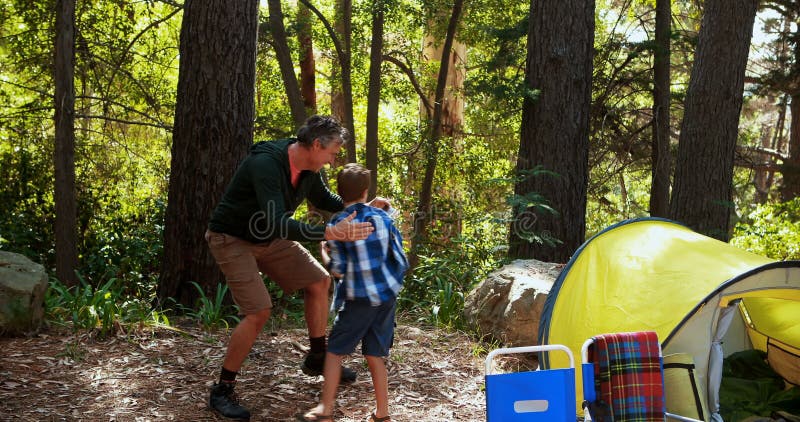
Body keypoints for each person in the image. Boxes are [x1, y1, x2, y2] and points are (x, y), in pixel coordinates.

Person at [205, 116, 388, 420]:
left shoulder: (309, 170)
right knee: (258, 311)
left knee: (318, 281)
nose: (332, 161)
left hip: (269, 237)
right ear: (316, 145)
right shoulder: (266, 164)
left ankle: (317, 356)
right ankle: (222, 389)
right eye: (331, 154)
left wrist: (362, 208)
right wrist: (330, 232)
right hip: (232, 238)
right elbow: (279, 222)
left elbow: (326, 200)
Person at [297, 163, 408, 422]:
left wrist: (324, 250)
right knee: (374, 354)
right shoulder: (383, 218)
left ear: (338, 192)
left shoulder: (338, 224)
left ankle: (325, 410)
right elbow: (398, 251)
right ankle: (382, 413)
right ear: (366, 190)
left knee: (334, 352)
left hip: (359, 299)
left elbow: (337, 270)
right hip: (386, 297)